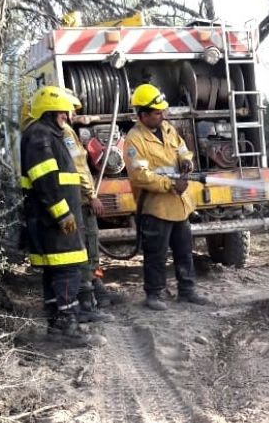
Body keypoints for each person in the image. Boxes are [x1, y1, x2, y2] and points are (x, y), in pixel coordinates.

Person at [20, 85, 105, 347]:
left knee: (54, 271)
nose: (66, 117)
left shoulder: (47, 134)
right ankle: (69, 327)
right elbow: (45, 181)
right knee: (67, 271)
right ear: (50, 111)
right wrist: (63, 215)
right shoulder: (41, 136)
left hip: (53, 219)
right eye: (63, 112)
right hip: (54, 221)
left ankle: (57, 325)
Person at [122, 83, 209, 310]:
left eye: (163, 111)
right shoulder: (134, 140)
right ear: (143, 115)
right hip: (156, 206)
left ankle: (187, 291)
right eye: (157, 112)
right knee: (156, 254)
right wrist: (171, 184)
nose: (163, 115)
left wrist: (186, 160)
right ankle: (154, 294)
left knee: (184, 250)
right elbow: (140, 176)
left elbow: (182, 150)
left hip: (179, 204)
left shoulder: (168, 129)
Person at [61, 89, 125, 314]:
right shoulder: (66, 134)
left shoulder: (65, 130)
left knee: (89, 244)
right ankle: (87, 298)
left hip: (76, 198)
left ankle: (95, 287)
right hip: (80, 199)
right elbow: (78, 167)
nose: (72, 113)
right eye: (70, 109)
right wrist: (92, 195)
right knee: (87, 242)